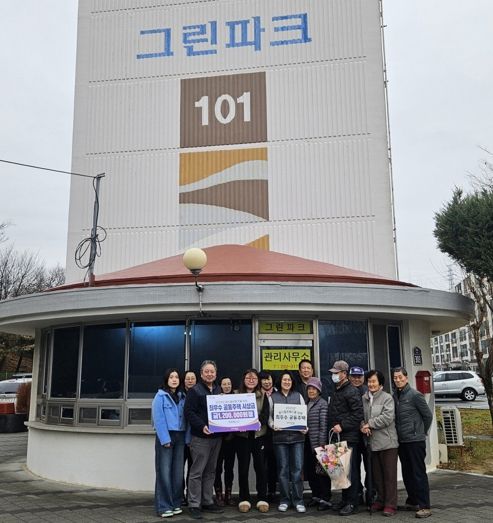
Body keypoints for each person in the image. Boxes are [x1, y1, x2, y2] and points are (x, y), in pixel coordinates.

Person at [184, 361, 224, 520]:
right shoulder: (195, 391)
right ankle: (194, 504)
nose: (209, 374)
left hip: (216, 438)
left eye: (212, 371)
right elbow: (189, 412)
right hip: (200, 438)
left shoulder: (218, 390)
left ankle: (207, 500)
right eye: (206, 371)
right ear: (201, 374)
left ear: (216, 373)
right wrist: (202, 426)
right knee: (197, 472)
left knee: (210, 471)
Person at [393, 367, 433, 519]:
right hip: (402, 441)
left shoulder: (415, 395)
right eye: (395, 378)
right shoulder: (395, 396)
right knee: (407, 473)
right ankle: (413, 500)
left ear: (406, 378)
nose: (398, 380)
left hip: (415, 441)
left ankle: (425, 506)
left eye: (400, 377)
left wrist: (422, 432)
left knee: (418, 473)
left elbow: (427, 416)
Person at [360, 370, 399, 517]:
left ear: (380, 383)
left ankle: (390, 504)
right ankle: (381, 500)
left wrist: (369, 424)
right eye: (369, 381)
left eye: (374, 381)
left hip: (388, 443)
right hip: (372, 443)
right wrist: (363, 426)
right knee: (377, 476)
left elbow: (387, 417)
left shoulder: (387, 398)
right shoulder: (364, 398)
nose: (371, 384)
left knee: (389, 476)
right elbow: (361, 417)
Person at [328, 360, 364, 516]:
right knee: (341, 471)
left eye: (336, 373)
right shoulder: (338, 389)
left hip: (349, 437)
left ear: (344, 374)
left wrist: (342, 425)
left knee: (350, 472)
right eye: (333, 373)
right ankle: (345, 499)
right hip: (339, 437)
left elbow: (358, 414)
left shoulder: (351, 391)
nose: (334, 375)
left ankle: (352, 503)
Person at [268, 370, 307, 513]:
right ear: (280, 381)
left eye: (289, 380)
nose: (287, 382)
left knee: (297, 469)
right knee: (283, 470)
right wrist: (273, 425)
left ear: (292, 382)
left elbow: (304, 415)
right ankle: (284, 500)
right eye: (284, 380)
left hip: (297, 438)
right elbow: (269, 416)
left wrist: (305, 427)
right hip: (280, 439)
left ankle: (298, 500)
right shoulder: (273, 397)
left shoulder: (298, 396)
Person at [152, 368, 187, 518]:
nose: (174, 379)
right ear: (166, 379)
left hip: (180, 436)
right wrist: (165, 439)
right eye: (171, 377)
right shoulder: (160, 396)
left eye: (176, 377)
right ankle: (164, 506)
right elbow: (158, 419)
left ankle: (176, 503)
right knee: (164, 472)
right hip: (166, 436)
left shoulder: (182, 396)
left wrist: (187, 438)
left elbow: (186, 418)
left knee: (178, 473)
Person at [235, 369, 270, 513]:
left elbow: (266, 414)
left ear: (258, 381)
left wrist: (257, 422)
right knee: (243, 468)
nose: (251, 380)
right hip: (242, 437)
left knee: (260, 468)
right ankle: (244, 498)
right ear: (243, 380)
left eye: (254, 378)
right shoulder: (236, 395)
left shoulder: (263, 395)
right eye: (248, 378)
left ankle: (262, 498)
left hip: (258, 436)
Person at [305, 377, 332, 511]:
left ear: (319, 390)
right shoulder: (306, 403)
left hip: (319, 444)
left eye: (314, 389)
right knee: (312, 472)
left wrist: (322, 444)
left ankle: (325, 498)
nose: (311, 391)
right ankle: (315, 496)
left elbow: (324, 425)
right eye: (309, 388)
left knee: (323, 473)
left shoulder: (322, 404)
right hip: (308, 443)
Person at [349, 365, 371, 506]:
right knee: (353, 467)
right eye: (354, 376)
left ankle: (371, 493)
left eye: (359, 377)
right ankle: (357, 493)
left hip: (367, 435)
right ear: (349, 377)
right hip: (352, 436)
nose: (356, 379)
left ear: (363, 378)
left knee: (370, 466)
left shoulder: (368, 392)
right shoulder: (346, 391)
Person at [214, 377, 236, 506]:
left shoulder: (237, 398)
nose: (227, 386)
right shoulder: (215, 398)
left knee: (229, 468)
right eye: (224, 384)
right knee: (217, 468)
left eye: (229, 384)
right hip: (217, 439)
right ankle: (218, 494)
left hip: (232, 440)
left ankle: (228, 494)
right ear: (220, 386)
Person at [259, 370, 277, 500]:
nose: (267, 382)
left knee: (273, 463)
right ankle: (262, 492)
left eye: (269, 379)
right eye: (264, 379)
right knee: (261, 465)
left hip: (275, 434)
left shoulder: (277, 393)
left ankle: (272, 491)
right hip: (260, 434)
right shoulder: (256, 394)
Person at [182, 370, 197, 506]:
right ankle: (179, 495)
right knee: (178, 469)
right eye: (188, 378)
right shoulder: (179, 395)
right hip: (180, 439)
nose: (190, 381)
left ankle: (190, 495)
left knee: (193, 470)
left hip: (195, 439)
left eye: (193, 378)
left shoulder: (199, 395)